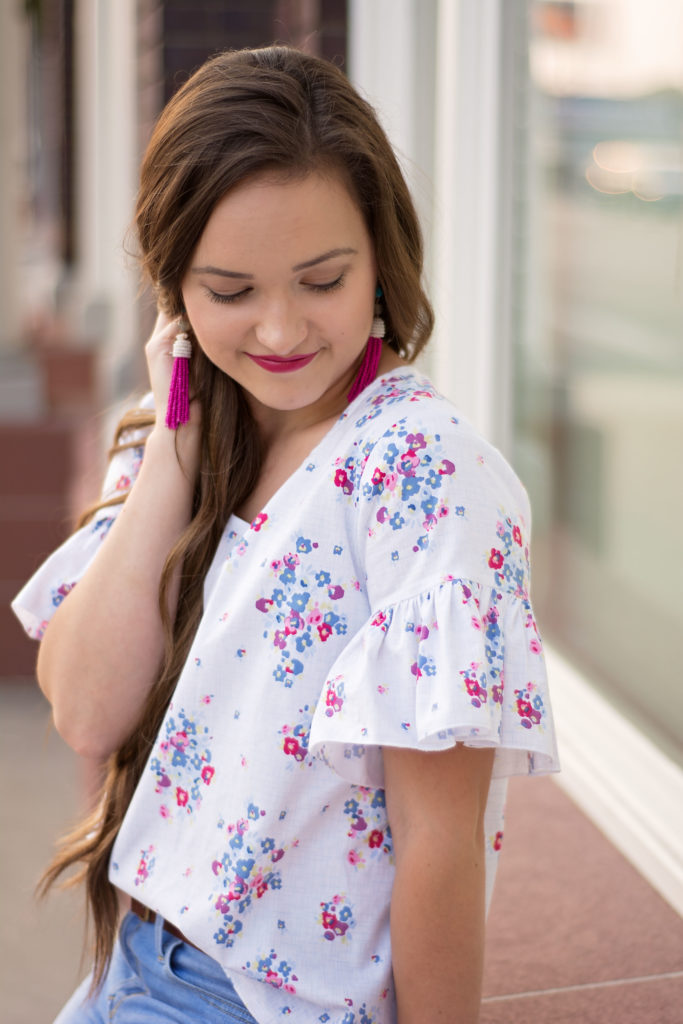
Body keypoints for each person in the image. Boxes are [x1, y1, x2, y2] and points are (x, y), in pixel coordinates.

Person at [12, 45, 559, 1024]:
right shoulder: (184, 441)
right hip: (137, 962)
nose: (276, 330)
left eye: (320, 280)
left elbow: (438, 839)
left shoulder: (422, 474)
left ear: (381, 261)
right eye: (229, 291)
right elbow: (89, 710)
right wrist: (173, 452)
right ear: (172, 289)